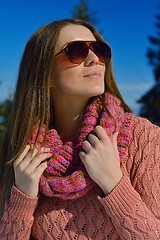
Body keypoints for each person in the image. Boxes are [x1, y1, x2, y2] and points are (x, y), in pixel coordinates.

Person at [0, 18, 160, 240]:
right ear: (44, 74)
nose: (94, 59)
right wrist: (22, 199)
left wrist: (114, 183)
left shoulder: (143, 137)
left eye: (99, 50)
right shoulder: (25, 156)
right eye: (76, 51)